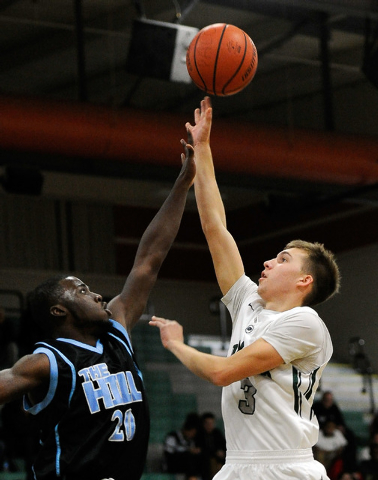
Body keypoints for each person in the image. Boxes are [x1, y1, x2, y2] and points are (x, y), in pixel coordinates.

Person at [150, 96, 341, 480]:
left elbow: (224, 373)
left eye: (284, 259)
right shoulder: (248, 303)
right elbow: (214, 226)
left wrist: (176, 344)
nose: (269, 262)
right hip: (237, 465)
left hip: (286, 467)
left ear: (306, 281)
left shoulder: (306, 323)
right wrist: (203, 150)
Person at [0, 142, 196, 480]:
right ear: (59, 311)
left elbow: (149, 259)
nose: (96, 295)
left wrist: (182, 184)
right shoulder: (46, 361)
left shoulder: (117, 329)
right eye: (82, 290)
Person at [163, 412, 202, 480]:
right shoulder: (173, 437)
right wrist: (187, 451)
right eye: (191, 432)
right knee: (188, 457)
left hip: (186, 465)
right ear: (186, 430)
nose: (192, 435)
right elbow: (168, 454)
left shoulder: (190, 441)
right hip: (172, 463)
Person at [196, 412, 226, 480]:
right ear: (203, 424)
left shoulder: (217, 433)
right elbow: (201, 449)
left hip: (219, 459)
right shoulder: (200, 435)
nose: (210, 425)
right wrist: (215, 452)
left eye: (211, 423)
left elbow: (223, 445)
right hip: (205, 461)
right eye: (207, 423)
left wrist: (221, 452)